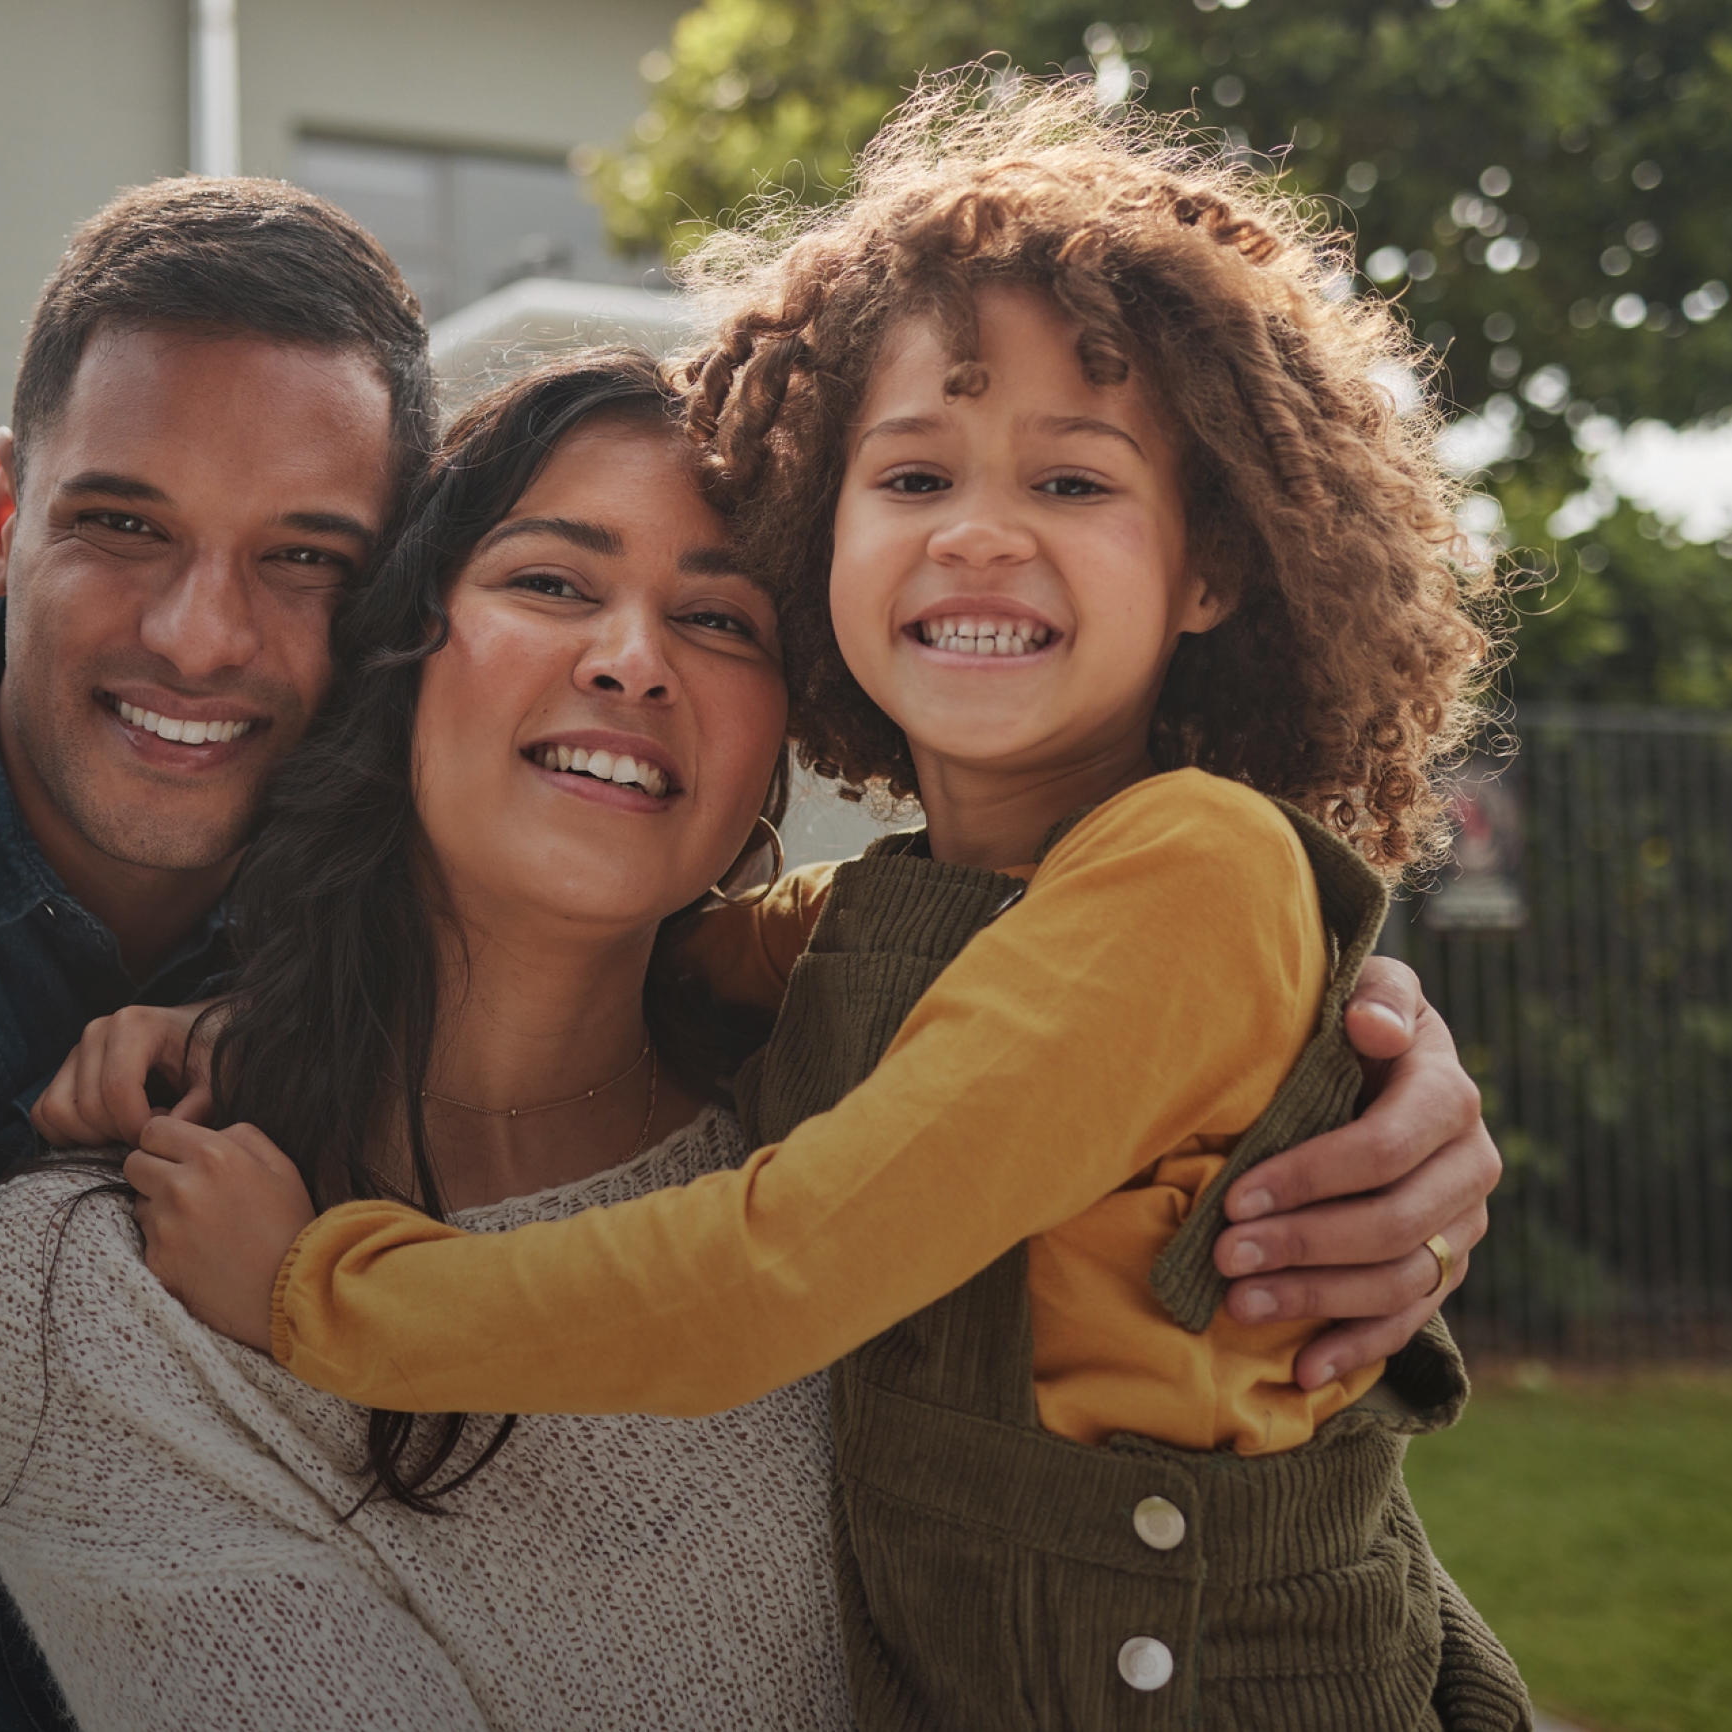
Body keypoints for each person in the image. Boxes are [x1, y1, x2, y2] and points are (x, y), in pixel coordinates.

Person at [0, 71, 1498, 1731]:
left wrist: (1359, 1075)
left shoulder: (793, 1076)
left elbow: (1232, 1451)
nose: (206, 634)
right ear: (3, 507)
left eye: (305, 557)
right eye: (123, 524)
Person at [116, 78, 1530, 1729]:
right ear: (818, 541)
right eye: (914, 478)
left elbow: (769, 1275)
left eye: (1073, 485)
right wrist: (243, 1023)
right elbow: (608, 969)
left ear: (1211, 569)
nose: (982, 536)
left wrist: (317, 1293)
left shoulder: (1197, 867)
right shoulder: (888, 909)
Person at [0, 351, 854, 1730]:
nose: (631, 660)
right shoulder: (105, 1286)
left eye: (722, 620)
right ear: (401, 655)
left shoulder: (873, 1164)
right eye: (551, 582)